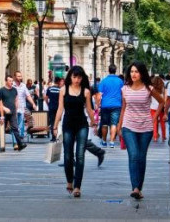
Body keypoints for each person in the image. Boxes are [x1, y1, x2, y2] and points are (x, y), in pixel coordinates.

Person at [117, 61, 165, 200]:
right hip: (129, 126)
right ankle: (135, 188)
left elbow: (161, 102)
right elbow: (123, 108)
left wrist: (154, 118)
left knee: (141, 157)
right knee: (133, 155)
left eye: (136, 71)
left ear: (142, 73)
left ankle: (139, 187)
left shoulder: (149, 88)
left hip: (145, 127)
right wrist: (120, 125)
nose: (133, 74)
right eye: (131, 71)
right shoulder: (125, 89)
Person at [53, 66, 96, 198]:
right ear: (70, 77)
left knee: (80, 156)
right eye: (74, 77)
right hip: (68, 125)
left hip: (82, 125)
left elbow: (89, 109)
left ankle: (77, 186)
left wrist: (94, 122)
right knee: (67, 155)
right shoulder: (63, 90)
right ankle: (69, 181)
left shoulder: (86, 92)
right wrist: (55, 126)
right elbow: (60, 109)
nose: (77, 80)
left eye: (79, 77)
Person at [97, 65, 124, 148]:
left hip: (105, 105)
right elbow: (123, 94)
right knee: (114, 124)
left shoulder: (104, 81)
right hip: (116, 105)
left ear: (108, 70)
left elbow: (99, 95)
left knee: (104, 124)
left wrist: (98, 106)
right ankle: (112, 142)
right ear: (115, 71)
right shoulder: (120, 81)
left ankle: (104, 141)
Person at [0, 74, 27, 151]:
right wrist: (4, 109)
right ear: (6, 81)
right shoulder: (1, 90)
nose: (11, 82)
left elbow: (16, 99)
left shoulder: (14, 90)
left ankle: (20, 144)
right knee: (2, 129)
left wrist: (16, 108)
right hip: (4, 113)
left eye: (12, 81)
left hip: (13, 112)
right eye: (10, 81)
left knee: (15, 128)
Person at [13, 71, 36, 140]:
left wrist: (33, 104)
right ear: (15, 77)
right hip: (14, 108)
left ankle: (20, 137)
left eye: (21, 76)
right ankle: (17, 139)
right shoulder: (12, 85)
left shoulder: (23, 86)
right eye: (18, 76)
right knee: (15, 124)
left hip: (22, 107)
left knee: (21, 123)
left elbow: (28, 96)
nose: (20, 77)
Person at [150, 76, 166, 142]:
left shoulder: (152, 89)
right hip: (161, 107)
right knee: (162, 123)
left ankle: (155, 136)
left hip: (153, 107)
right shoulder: (162, 89)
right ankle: (164, 136)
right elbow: (164, 98)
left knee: (154, 122)